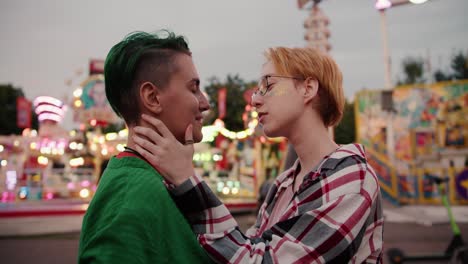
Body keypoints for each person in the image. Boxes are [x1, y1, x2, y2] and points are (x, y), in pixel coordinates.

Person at [133, 47, 384, 263]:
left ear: (308, 88)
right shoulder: (284, 184)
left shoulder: (351, 178)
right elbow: (249, 246)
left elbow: (261, 259)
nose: (255, 99)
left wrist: (186, 178)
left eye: (268, 85)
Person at [78, 30, 213, 264]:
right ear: (152, 97)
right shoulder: (128, 199)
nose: (205, 103)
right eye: (193, 89)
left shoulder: (161, 178)